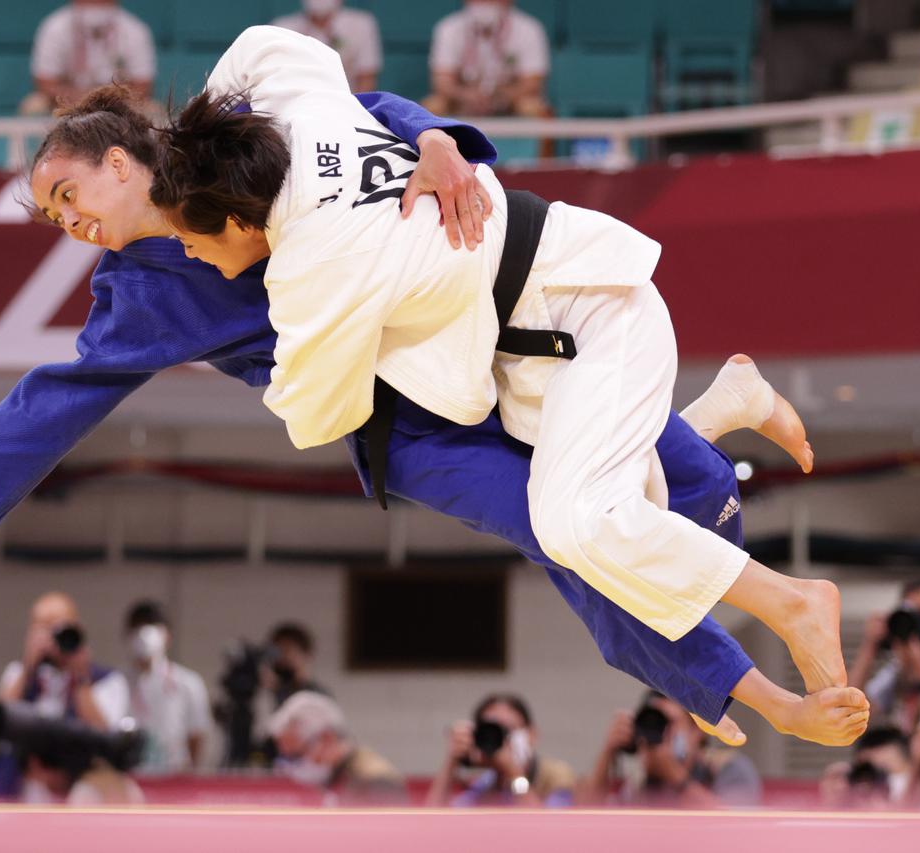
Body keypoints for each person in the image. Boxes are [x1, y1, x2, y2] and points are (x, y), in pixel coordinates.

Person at [0, 85, 865, 748]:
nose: (67, 223)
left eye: (66, 192)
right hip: (400, 422)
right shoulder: (136, 296)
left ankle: (718, 417)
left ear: (118, 160)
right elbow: (54, 401)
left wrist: (432, 140)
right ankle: (755, 693)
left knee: (656, 493)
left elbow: (352, 101)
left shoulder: (228, 126)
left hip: (464, 325)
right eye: (50, 218)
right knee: (565, 537)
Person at [150, 26, 862, 724]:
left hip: (581, 313)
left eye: (188, 237)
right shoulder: (306, 119)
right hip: (532, 342)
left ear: (239, 220)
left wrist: (320, 332)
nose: (188, 254)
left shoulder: (311, 261)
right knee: (600, 517)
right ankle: (726, 409)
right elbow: (273, 44)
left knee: (580, 528)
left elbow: (312, 417)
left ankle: (790, 600)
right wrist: (210, 136)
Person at [0, 591, 131, 799]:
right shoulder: (17, 674)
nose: (52, 638)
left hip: (82, 791)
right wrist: (28, 668)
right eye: (43, 628)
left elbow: (105, 738)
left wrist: (80, 678)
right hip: (24, 791)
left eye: (59, 628)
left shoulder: (107, 681)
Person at [582, 692, 762, 807]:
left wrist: (676, 777)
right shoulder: (640, 783)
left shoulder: (729, 769)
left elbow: (735, 826)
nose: (660, 731)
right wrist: (608, 753)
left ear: (698, 730)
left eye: (669, 722)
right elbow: (588, 820)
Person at [426, 694, 577, 808]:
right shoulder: (487, 781)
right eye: (490, 732)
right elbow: (433, 820)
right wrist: (451, 762)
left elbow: (550, 829)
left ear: (531, 734)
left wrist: (514, 774)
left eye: (507, 730)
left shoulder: (556, 775)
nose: (500, 740)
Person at [268, 691, 406, 805]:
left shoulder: (375, 782)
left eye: (297, 756)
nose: (292, 767)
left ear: (327, 738)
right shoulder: (336, 777)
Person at [123, 599, 213, 773]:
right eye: (137, 630)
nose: (143, 639)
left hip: (172, 777)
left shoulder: (189, 683)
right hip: (129, 778)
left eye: (151, 630)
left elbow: (196, 736)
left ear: (167, 635)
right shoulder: (117, 683)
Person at [22, 0, 156, 116]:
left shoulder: (135, 30)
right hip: (67, 103)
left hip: (120, 105)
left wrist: (107, 102)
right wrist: (85, 101)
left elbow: (143, 85)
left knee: (153, 110)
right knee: (34, 106)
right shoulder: (54, 27)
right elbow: (45, 83)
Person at [425, 1, 551, 118]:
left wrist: (501, 97)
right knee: (433, 105)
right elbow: (442, 82)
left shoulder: (528, 28)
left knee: (532, 107)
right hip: (462, 101)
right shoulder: (449, 27)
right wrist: (466, 95)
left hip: (509, 101)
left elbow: (532, 83)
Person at [849, 578, 920, 728]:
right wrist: (870, 646)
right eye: (910, 614)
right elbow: (851, 709)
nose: (916, 624)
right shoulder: (896, 671)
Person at [271, 0, 382, 93]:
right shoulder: (282, 27)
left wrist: (355, 111)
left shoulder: (360, 24)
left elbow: (367, 77)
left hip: (346, 104)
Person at [267, 622, 329, 708]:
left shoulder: (317, 696)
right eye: (277, 652)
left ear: (307, 654)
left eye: (287, 650)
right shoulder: (277, 691)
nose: (281, 658)